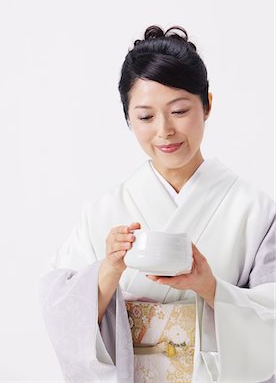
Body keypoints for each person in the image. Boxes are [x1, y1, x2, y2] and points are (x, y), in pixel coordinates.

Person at [39, 25, 275, 383]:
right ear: (128, 119)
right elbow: (59, 310)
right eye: (146, 117)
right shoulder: (104, 210)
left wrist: (209, 287)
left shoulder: (255, 210)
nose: (164, 130)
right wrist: (109, 270)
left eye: (179, 111)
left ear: (207, 104)